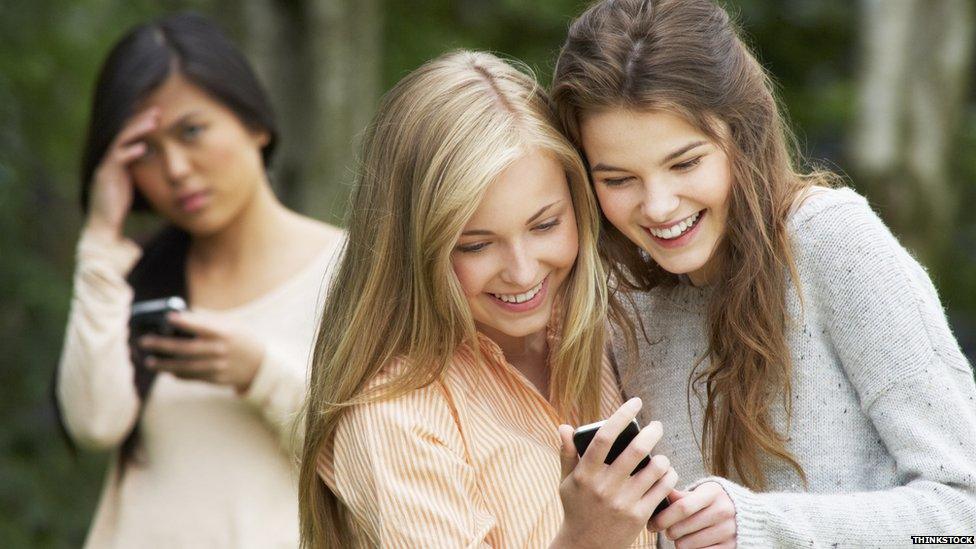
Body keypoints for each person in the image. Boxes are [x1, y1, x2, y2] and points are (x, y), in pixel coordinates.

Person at [550, 0, 976, 547]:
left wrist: (765, 527)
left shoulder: (832, 243)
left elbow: (965, 515)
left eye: (685, 163)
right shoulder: (622, 301)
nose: (658, 206)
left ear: (741, 135)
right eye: (618, 179)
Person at [298, 50, 675, 548]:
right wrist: (587, 538)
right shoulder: (392, 416)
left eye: (545, 225)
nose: (522, 271)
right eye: (475, 245)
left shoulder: (624, 328)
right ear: (412, 249)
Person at [55, 13, 343, 548]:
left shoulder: (350, 270)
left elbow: (377, 453)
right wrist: (98, 241)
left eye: (192, 131)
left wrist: (259, 372)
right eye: (146, 151)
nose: (177, 169)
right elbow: (95, 422)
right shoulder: (127, 279)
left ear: (255, 123)